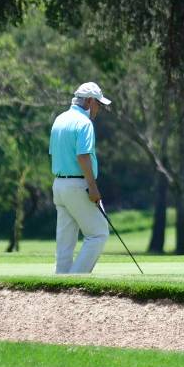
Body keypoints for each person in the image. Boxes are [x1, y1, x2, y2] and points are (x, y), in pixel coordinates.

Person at [49, 82, 112, 274]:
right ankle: (76, 279)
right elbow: (83, 156)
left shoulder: (59, 119)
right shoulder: (84, 123)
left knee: (65, 242)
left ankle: (61, 284)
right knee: (98, 234)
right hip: (78, 185)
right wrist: (92, 187)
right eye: (98, 104)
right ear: (90, 101)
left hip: (59, 185)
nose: (99, 109)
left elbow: (54, 153)